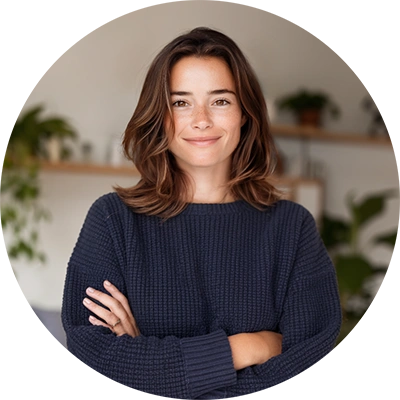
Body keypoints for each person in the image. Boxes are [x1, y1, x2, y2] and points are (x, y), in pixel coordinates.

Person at [61, 26, 342, 399]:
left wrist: (152, 366)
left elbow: (309, 369)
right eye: (180, 102)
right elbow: (92, 362)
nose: (201, 119)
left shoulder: (291, 228)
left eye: (220, 101)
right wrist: (249, 347)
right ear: (159, 115)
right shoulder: (113, 221)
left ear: (245, 113)